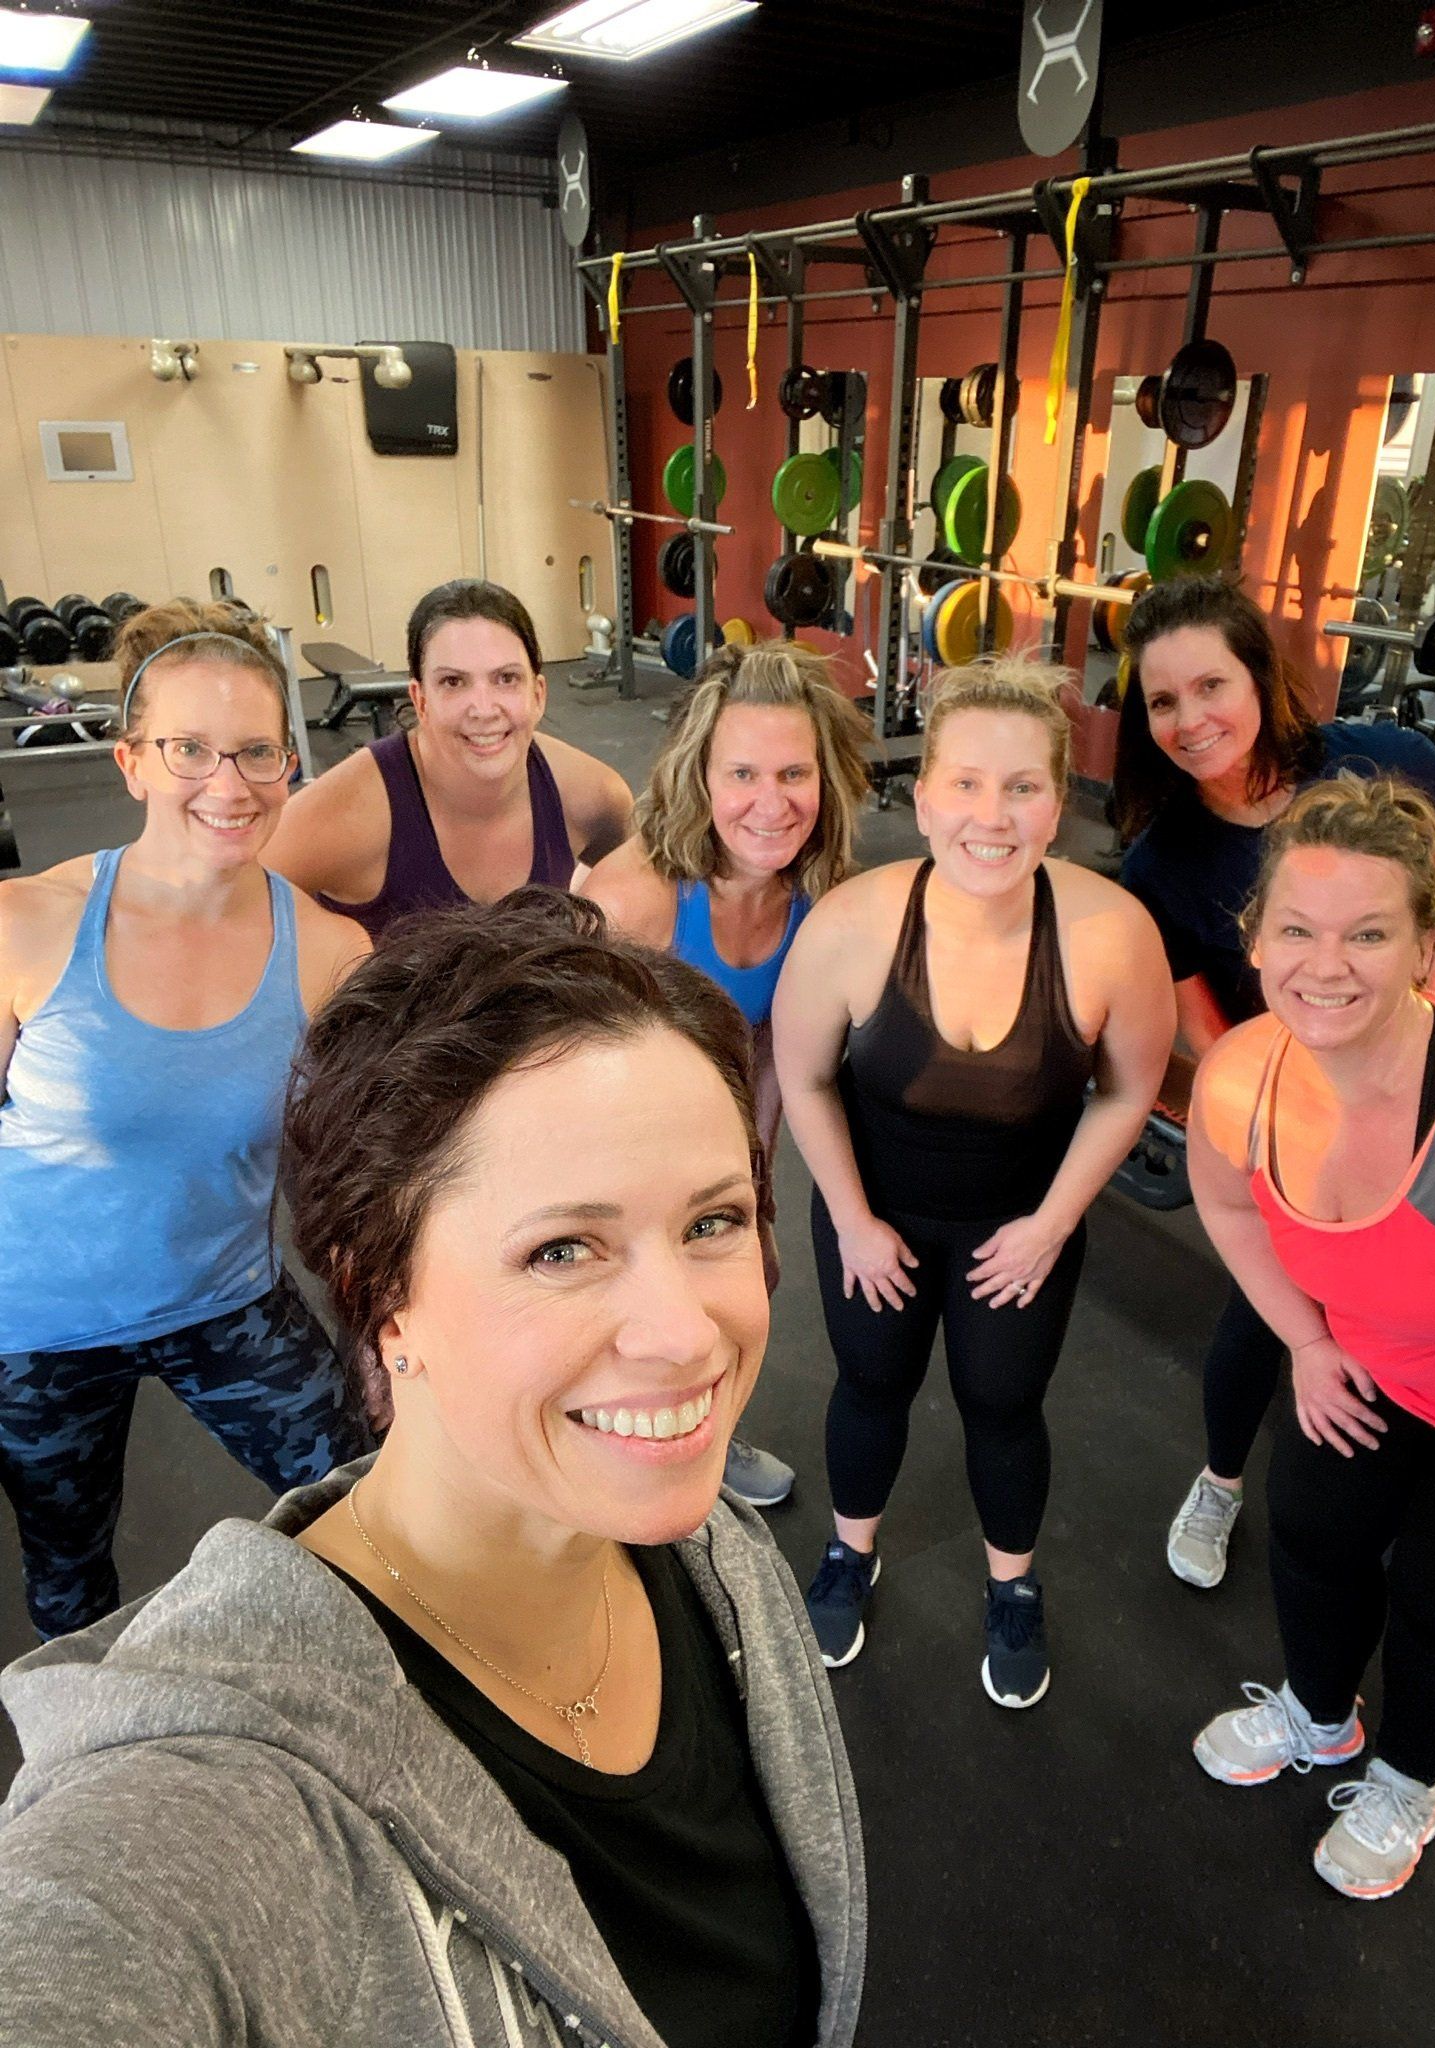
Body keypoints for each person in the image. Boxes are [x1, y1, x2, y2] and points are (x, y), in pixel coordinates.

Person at [0, 890, 866, 2047]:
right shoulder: (210, 1803)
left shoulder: (727, 1563)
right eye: (564, 1246)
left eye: (712, 1221)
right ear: (381, 1292)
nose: (690, 1333)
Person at [774, 656, 1175, 1704]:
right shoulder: (853, 924)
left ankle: (1014, 1584)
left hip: (1020, 1221)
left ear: (1060, 798)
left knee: (1003, 1401)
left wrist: (1049, 1224)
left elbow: (1127, 1092)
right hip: (877, 1211)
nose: (990, 816)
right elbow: (804, 1078)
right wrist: (854, 1220)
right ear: (922, 792)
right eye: (965, 783)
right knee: (872, 1382)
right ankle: (850, 1553)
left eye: (1023, 787)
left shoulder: (1111, 934)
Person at [1186, 776, 1435, 1900]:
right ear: (1255, 936)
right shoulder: (1242, 1073)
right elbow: (1235, 1210)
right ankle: (1320, 1717)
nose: (1324, 964)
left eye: (1369, 932)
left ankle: (1410, 1778)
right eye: (1296, 927)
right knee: (1313, 1536)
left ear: (1427, 940)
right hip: (1369, 1369)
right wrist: (1306, 1340)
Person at [0, 599, 373, 1642]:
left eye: (258, 751)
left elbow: (338, 1167)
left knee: (364, 1491)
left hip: (224, 1295)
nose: (229, 782)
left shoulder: (331, 951)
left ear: (291, 765)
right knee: (67, 1570)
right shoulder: (26, 923)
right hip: (34, 1329)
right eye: (190, 749)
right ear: (131, 762)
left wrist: (380, 1324)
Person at [1114, 577, 1435, 1590]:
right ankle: (1222, 1478)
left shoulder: (1386, 760)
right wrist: (1260, 1098)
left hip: (1419, 1070)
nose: (1191, 719)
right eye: (1163, 701)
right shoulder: (1163, 859)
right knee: (1270, 1310)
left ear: (1258, 676)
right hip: (1296, 1106)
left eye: (1210, 684)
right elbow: (1200, 1014)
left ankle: (1429, 1493)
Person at [584, 639, 871, 1510]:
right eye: (743, 773)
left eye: (794, 775)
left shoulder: (815, 899)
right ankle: (596, 1464)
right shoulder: (638, 897)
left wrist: (755, 1195)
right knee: (621, 1312)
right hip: (609, 1145)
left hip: (712, 1142)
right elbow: (566, 1072)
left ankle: (699, 1437)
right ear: (700, 777)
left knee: (750, 1278)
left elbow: (777, 1058)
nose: (771, 804)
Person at [265, 579, 632, 936]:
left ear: (538, 694)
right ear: (420, 699)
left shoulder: (592, 797)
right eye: (453, 682)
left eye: (506, 678)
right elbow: (224, 904)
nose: (484, 709)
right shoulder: (351, 813)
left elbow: (650, 898)